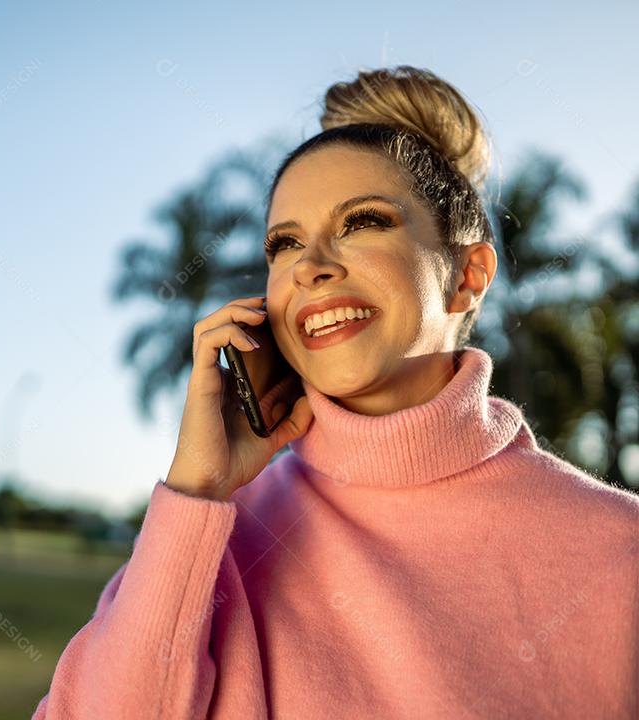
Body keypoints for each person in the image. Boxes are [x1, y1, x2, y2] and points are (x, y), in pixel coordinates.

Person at [31, 65, 639, 719]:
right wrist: (196, 492)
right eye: (284, 244)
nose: (311, 267)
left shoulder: (619, 554)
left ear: (468, 274)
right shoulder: (206, 536)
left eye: (363, 223)